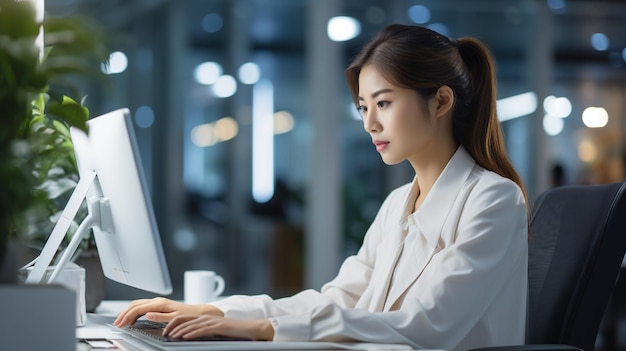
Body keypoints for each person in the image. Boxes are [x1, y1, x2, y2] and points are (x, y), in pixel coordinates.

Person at [114, 24, 529, 351]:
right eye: (364, 108)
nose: (370, 124)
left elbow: (428, 326)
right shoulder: (397, 204)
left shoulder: (492, 199)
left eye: (383, 103)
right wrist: (215, 310)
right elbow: (338, 300)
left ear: (440, 101)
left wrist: (263, 328)